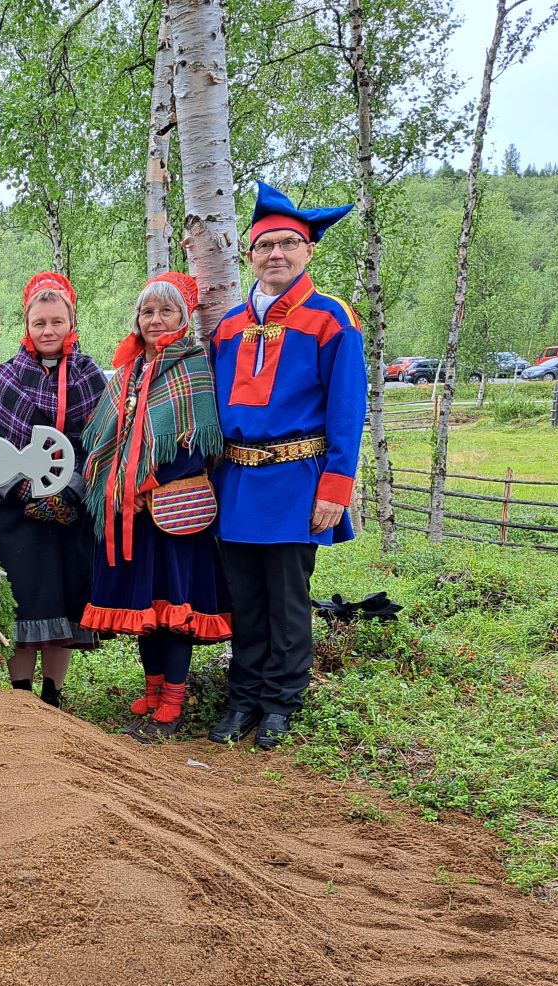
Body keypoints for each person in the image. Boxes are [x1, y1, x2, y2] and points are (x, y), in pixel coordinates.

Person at [207, 181, 367, 750]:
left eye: (287, 245)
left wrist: (337, 487)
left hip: (298, 482)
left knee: (288, 600)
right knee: (244, 601)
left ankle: (281, 702)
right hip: (237, 482)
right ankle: (244, 697)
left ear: (308, 253)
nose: (275, 254)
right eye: (265, 245)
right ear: (249, 254)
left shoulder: (332, 319)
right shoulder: (227, 327)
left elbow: (348, 411)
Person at [80, 271, 230, 741]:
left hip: (172, 511)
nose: (155, 319)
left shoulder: (194, 369)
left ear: (183, 318)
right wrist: (114, 485)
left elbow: (196, 442)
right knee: (145, 608)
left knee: (174, 608)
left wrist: (144, 485)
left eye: (167, 311)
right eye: (147, 311)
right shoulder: (125, 371)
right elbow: (108, 440)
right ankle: (152, 687)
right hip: (132, 516)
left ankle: (174, 697)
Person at [0, 272, 106, 708]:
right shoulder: (7, 376)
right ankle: (20, 696)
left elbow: (103, 442)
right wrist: (25, 492)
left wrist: (68, 494)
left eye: (56, 322)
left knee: (64, 598)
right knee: (23, 597)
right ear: (26, 326)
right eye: (39, 323)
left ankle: (53, 694)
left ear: (71, 322)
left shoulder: (89, 376)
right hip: (17, 514)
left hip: (70, 512)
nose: (48, 331)